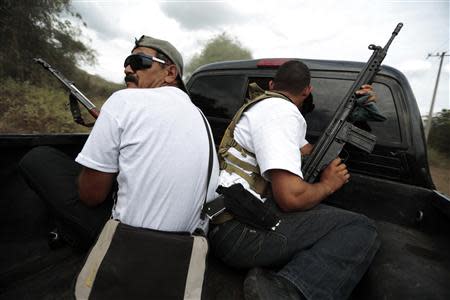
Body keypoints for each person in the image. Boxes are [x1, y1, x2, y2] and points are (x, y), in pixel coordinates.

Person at [19, 35, 219, 249]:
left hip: (129, 248)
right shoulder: (199, 115)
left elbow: (90, 196)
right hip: (192, 247)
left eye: (139, 62)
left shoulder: (123, 100)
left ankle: (71, 234)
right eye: (126, 62)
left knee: (37, 158)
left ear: (170, 73)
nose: (127, 70)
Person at [208, 60, 380, 300]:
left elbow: (314, 154)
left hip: (227, 219)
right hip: (239, 231)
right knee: (360, 228)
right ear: (307, 90)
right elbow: (290, 198)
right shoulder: (281, 113)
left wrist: (355, 117)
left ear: (271, 85)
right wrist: (328, 185)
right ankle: (287, 293)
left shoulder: (264, 108)